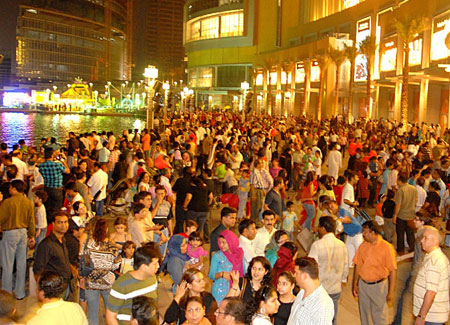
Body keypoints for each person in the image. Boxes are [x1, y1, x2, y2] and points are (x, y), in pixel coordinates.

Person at [352, 221, 397, 325]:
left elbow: (392, 271)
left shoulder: (386, 248)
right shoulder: (363, 245)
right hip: (363, 285)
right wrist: (355, 283)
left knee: (380, 316)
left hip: (379, 287)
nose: (363, 234)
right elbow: (358, 264)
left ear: (373, 233)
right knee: (364, 314)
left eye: (365, 232)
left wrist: (391, 292)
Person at [106, 243, 162, 325]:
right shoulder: (121, 285)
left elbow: (153, 306)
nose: (158, 266)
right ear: (143, 267)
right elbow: (110, 317)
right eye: (155, 264)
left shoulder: (152, 279)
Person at [308, 216, 349, 325]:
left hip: (320, 289)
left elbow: (311, 267)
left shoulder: (317, 245)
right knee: (332, 318)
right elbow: (346, 267)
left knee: (317, 318)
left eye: (319, 226)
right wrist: (343, 280)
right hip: (335, 288)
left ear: (323, 228)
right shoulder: (342, 245)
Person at [80, 218, 121, 325]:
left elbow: (82, 259)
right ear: (107, 229)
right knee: (110, 313)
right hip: (108, 283)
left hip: (91, 282)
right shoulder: (112, 247)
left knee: (92, 313)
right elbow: (115, 265)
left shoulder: (88, 244)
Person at [0, 179, 35, 299]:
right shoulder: (28, 202)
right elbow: (31, 220)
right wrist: (32, 235)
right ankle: (20, 293)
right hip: (23, 233)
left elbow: (1, 218)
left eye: (10, 188)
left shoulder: (7, 202)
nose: (9, 190)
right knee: (21, 264)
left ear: (14, 189)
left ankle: (7, 293)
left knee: (7, 264)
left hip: (10, 233)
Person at [33, 211, 74, 301]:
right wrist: (43, 291)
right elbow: (38, 269)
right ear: (53, 224)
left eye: (65, 222)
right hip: (54, 290)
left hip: (65, 285)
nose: (64, 225)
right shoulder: (46, 245)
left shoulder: (63, 240)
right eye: (60, 222)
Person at [413, 227, 449, 325]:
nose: (422, 241)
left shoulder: (435, 262)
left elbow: (431, 292)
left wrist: (421, 316)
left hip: (431, 317)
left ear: (434, 241)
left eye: (425, 238)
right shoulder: (432, 256)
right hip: (431, 315)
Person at [287, 257, 334, 325]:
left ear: (304, 276)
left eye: (296, 273)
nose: (294, 275)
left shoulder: (323, 304)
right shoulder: (301, 293)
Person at [209, 230, 244, 304]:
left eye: (224, 242)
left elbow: (243, 272)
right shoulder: (217, 256)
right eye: (220, 242)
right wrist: (222, 274)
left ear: (231, 241)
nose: (221, 245)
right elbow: (211, 275)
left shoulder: (239, 255)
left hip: (235, 289)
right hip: (220, 291)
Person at [393, 174, 417, 254]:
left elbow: (398, 204)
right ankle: (412, 249)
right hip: (411, 215)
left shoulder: (400, 190)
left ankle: (401, 250)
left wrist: (395, 215)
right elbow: (416, 200)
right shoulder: (413, 188)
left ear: (400, 180)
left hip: (402, 215)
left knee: (400, 234)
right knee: (410, 233)